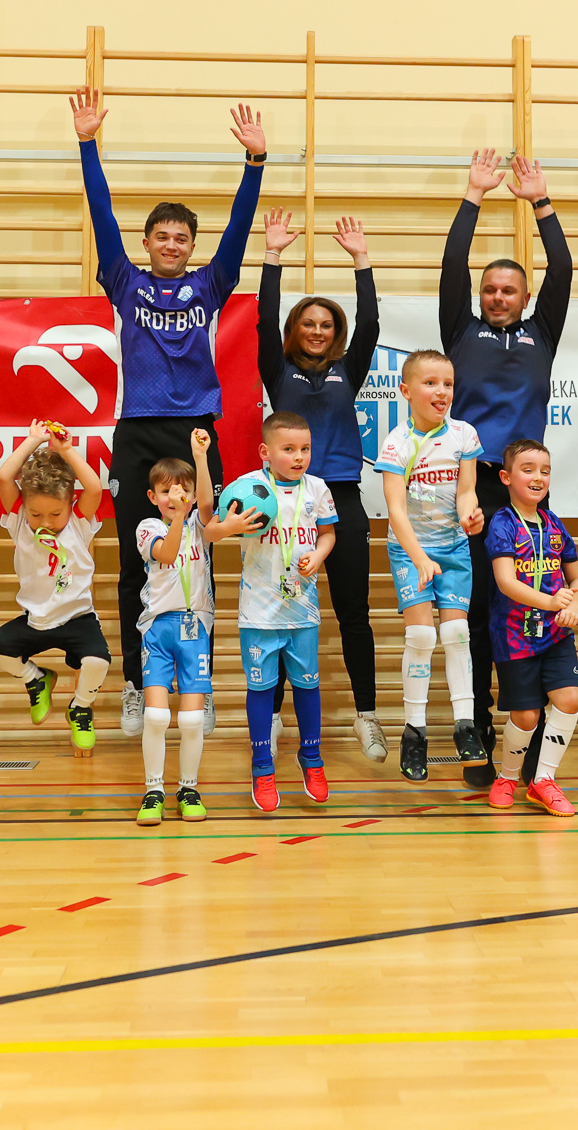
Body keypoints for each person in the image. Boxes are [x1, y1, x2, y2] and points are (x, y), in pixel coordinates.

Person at [69, 86, 265, 738]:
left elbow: (238, 233)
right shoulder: (125, 282)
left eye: (182, 236)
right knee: (136, 559)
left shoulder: (210, 283)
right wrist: (88, 144)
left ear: (191, 245)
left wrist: (255, 165)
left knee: (199, 557)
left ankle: (198, 687)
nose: (173, 243)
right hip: (137, 431)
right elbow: (101, 216)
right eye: (163, 235)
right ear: (148, 242)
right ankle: (134, 683)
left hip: (195, 433)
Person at [439, 150, 572, 787]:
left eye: (507, 290)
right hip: (469, 487)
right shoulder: (460, 329)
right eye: (489, 288)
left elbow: (563, 269)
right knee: (483, 610)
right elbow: (449, 268)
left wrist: (541, 205)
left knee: (536, 604)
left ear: (523, 297)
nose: (496, 296)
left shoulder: (542, 331)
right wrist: (473, 195)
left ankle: (535, 724)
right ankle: (485, 733)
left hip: (525, 489)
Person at [258, 209, 383, 759]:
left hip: (341, 496)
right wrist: (272, 256)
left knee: (353, 610)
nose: (316, 330)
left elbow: (372, 326)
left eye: (326, 324)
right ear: (295, 331)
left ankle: (366, 715)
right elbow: (263, 319)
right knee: (281, 610)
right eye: (307, 323)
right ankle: (278, 716)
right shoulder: (276, 368)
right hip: (284, 502)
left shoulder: (346, 371)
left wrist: (361, 261)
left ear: (336, 333)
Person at [132, 436, 260, 825]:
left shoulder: (198, 526)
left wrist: (201, 458)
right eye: (169, 491)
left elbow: (208, 512)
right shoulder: (148, 526)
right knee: (155, 717)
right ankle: (154, 790)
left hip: (195, 628)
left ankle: (188, 788)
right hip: (158, 628)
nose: (178, 496)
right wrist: (177, 519)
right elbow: (167, 554)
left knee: (191, 720)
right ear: (153, 495)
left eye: (183, 490)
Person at [376, 349, 485, 782]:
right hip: (409, 550)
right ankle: (414, 731)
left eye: (448, 384)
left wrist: (470, 515)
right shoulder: (396, 442)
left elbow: (467, 492)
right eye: (430, 383)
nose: (441, 392)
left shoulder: (464, 434)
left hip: (453, 548)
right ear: (405, 390)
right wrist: (419, 558)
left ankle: (465, 725)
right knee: (421, 634)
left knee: (457, 632)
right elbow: (395, 510)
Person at [222, 412, 338, 813]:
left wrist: (318, 557)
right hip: (258, 611)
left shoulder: (318, 489)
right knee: (261, 689)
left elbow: (328, 533)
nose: (299, 456)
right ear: (265, 452)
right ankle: (262, 767)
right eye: (288, 449)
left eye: (304, 448)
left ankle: (312, 758)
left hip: (302, 608)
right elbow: (220, 524)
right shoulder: (248, 489)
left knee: (308, 685)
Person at [0, 421, 111, 754]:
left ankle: (80, 708)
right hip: (35, 620)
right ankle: (36, 679)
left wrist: (66, 450)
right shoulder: (19, 524)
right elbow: (3, 478)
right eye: (36, 513)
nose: (45, 522)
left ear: (70, 505)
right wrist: (32, 440)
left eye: (55, 513)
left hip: (77, 619)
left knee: (99, 661)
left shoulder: (78, 524)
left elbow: (95, 488)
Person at [484, 439, 578, 817]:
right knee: (526, 716)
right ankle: (508, 777)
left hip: (556, 635)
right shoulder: (502, 523)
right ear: (507, 477)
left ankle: (544, 779)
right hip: (514, 635)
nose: (538, 477)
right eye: (528, 470)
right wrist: (550, 602)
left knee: (569, 699)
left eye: (544, 470)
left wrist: (572, 604)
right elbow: (506, 582)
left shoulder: (554, 523)